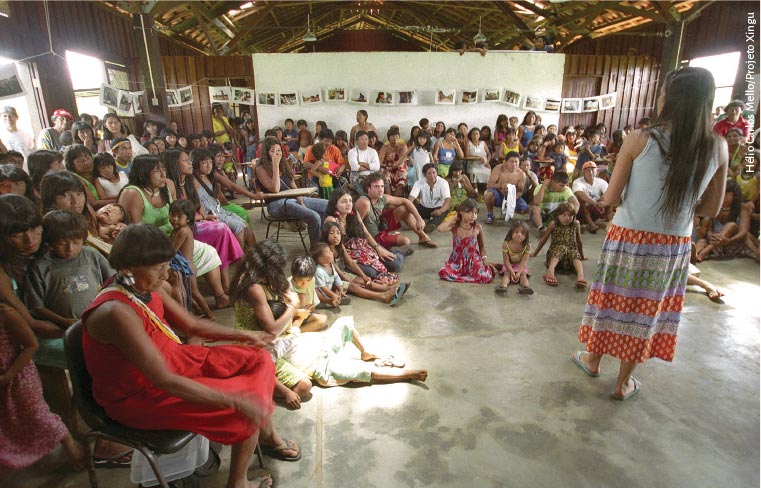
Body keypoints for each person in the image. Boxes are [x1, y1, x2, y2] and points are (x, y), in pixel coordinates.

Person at [82, 224, 299, 487]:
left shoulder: (146, 286)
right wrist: (233, 400)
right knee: (243, 409)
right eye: (157, 267)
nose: (166, 273)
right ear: (128, 268)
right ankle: (238, 482)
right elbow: (162, 380)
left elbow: (191, 325)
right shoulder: (117, 311)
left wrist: (244, 336)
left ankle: (264, 433)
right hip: (141, 394)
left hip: (177, 360)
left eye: (166, 264)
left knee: (259, 359)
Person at [574, 67, 728, 401]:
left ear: (670, 100)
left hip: (629, 237)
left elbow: (611, 198)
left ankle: (592, 359)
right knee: (646, 310)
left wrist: (598, 201)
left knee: (612, 302)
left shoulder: (640, 139)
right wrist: (683, 205)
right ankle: (623, 382)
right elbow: (711, 210)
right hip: (672, 244)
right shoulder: (717, 146)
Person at [0, 195, 84, 472]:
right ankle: (73, 429)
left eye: (34, 228)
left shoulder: (46, 250)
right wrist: (81, 328)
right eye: (17, 234)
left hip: (55, 327)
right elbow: (30, 324)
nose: (29, 239)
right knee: (84, 354)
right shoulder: (3, 271)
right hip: (20, 341)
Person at [255, 137, 327, 245]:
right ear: (266, 153)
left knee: (328, 205)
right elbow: (275, 189)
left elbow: (293, 185)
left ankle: (324, 243)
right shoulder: (261, 168)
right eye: (273, 151)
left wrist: (301, 202)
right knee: (314, 216)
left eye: (279, 150)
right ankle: (316, 248)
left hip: (293, 199)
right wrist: (275, 165)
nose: (277, 154)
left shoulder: (284, 164)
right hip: (276, 204)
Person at [324, 189, 403, 282]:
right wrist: (350, 262)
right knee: (371, 273)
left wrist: (377, 248)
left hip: (362, 248)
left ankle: (400, 253)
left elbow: (366, 233)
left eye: (350, 201)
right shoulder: (331, 220)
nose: (349, 204)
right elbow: (334, 248)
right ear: (335, 204)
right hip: (345, 255)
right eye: (344, 202)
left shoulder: (353, 213)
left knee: (395, 264)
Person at [168, 200, 226, 317]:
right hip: (184, 265)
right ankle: (198, 309)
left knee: (194, 292)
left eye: (179, 216)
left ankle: (210, 315)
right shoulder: (177, 229)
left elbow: (172, 250)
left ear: (188, 219)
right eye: (172, 215)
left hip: (187, 266)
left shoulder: (183, 231)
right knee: (188, 291)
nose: (174, 218)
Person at [356, 171, 436, 250]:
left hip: (380, 225)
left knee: (403, 209)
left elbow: (406, 201)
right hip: (373, 236)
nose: (380, 190)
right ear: (368, 188)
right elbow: (356, 225)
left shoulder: (382, 197)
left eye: (382, 186)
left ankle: (423, 237)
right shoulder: (364, 202)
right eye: (376, 187)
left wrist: (419, 219)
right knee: (405, 241)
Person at [313, 238, 403, 307]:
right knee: (353, 286)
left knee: (361, 281)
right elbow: (323, 288)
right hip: (324, 293)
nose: (331, 253)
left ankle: (387, 289)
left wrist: (340, 288)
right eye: (328, 253)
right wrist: (333, 293)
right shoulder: (319, 271)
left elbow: (336, 277)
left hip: (333, 286)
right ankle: (382, 296)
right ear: (321, 259)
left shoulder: (330, 264)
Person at [191, 148, 253, 248]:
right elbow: (199, 204)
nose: (209, 165)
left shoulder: (208, 175)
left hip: (220, 210)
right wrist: (205, 217)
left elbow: (230, 186)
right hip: (211, 214)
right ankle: (239, 259)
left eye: (210, 162)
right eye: (204, 162)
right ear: (196, 163)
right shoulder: (192, 180)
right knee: (239, 228)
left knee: (245, 224)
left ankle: (255, 255)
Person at [437, 199, 493, 283]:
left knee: (485, 276)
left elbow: (482, 247)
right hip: (456, 262)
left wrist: (484, 260)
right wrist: (454, 217)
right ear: (461, 212)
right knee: (443, 272)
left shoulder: (477, 228)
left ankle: (490, 265)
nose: (473, 216)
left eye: (475, 213)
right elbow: (440, 228)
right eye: (470, 213)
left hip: (473, 261)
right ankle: (465, 276)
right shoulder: (455, 226)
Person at [531, 202, 586, 287]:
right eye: (564, 215)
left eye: (570, 216)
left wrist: (581, 256)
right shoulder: (553, 224)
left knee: (574, 252)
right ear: (557, 215)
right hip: (555, 256)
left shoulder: (576, 224)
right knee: (562, 248)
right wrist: (535, 253)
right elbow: (544, 239)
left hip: (569, 260)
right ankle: (550, 271)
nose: (567, 218)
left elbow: (579, 242)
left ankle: (580, 275)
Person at [287, 255, 328, 332]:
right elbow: (286, 310)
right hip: (293, 317)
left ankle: (297, 331)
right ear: (293, 276)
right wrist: (299, 312)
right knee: (303, 297)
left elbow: (312, 296)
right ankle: (293, 329)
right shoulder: (288, 285)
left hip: (306, 313)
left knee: (323, 319)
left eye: (308, 280)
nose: (304, 284)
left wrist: (312, 307)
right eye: (300, 280)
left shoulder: (312, 279)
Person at [484, 151, 526, 224]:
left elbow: (520, 191)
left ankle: (508, 212)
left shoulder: (522, 174)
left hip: (512, 196)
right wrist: (501, 185)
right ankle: (490, 214)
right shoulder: (499, 168)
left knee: (524, 209)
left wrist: (511, 201)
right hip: (498, 194)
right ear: (506, 162)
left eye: (516, 162)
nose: (514, 164)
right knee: (489, 194)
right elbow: (489, 185)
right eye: (511, 162)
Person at [408, 163, 451, 233]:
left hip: (438, 208)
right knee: (411, 208)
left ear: (437, 172)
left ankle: (431, 224)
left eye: (434, 172)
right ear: (425, 175)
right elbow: (411, 198)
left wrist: (440, 210)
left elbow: (447, 200)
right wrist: (410, 210)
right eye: (429, 173)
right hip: (424, 207)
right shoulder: (419, 183)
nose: (432, 175)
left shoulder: (443, 183)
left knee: (444, 211)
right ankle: (418, 221)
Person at [495, 221, 533, 295]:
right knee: (507, 274)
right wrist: (512, 272)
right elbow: (506, 261)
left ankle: (526, 287)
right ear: (511, 233)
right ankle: (502, 286)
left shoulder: (527, 245)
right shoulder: (506, 244)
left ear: (526, 236)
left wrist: (518, 273)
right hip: (509, 265)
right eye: (516, 232)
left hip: (520, 266)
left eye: (522, 233)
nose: (519, 235)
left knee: (523, 275)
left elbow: (524, 261)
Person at [572, 161, 609, 233]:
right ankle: (591, 223)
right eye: (588, 170)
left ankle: (609, 219)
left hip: (596, 207)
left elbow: (608, 192)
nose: (591, 172)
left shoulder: (601, 181)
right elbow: (580, 194)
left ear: (596, 171)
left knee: (609, 198)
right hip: (582, 210)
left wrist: (599, 203)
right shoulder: (577, 182)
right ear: (583, 172)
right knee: (580, 199)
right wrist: (594, 203)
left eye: (593, 170)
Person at [378, 127, 408, 197]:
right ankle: (389, 198)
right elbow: (380, 161)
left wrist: (393, 164)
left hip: (400, 169)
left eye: (396, 136)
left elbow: (400, 161)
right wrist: (386, 163)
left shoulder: (403, 146)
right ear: (388, 138)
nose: (395, 138)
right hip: (387, 168)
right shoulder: (385, 147)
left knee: (401, 180)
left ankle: (394, 200)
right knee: (385, 177)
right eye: (392, 136)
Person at [465, 127, 491, 198]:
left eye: (477, 134)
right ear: (470, 135)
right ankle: (476, 191)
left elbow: (489, 154)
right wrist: (478, 157)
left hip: (484, 164)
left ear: (479, 135)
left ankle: (486, 191)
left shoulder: (483, 143)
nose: (475, 136)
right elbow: (466, 155)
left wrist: (487, 162)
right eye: (473, 134)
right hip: (473, 165)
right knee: (474, 172)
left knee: (488, 171)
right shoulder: (469, 143)